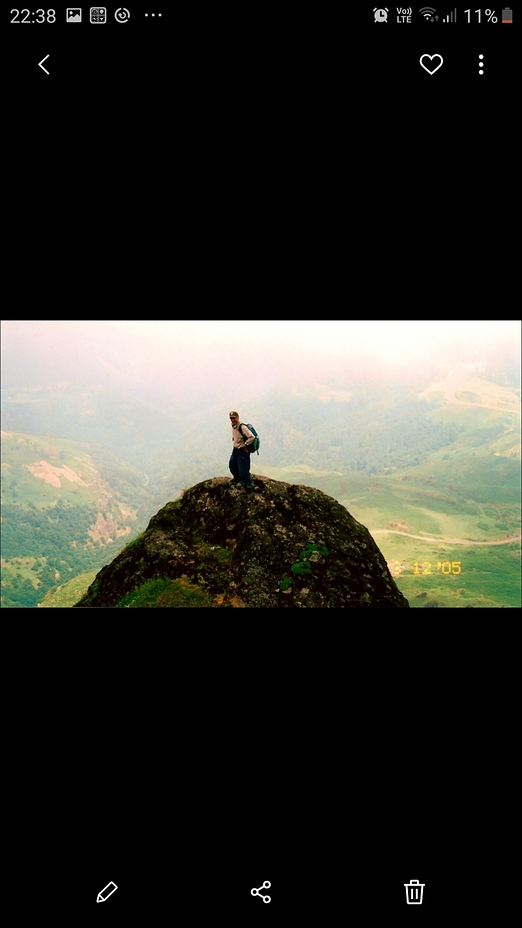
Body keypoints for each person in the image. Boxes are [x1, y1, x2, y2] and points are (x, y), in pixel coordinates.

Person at [228, 411, 254, 491]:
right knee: (232, 465)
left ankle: (247, 487)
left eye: (234, 418)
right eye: (231, 418)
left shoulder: (242, 427)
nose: (232, 420)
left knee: (243, 470)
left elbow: (252, 437)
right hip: (236, 450)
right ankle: (237, 478)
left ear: (238, 418)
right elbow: (235, 438)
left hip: (242, 452)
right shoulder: (234, 426)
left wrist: (245, 445)